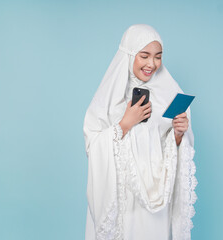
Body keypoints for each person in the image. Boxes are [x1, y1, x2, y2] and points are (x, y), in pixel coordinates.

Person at [83, 24, 197, 240]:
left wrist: (178, 135)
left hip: (155, 198)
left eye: (158, 57)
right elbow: (93, 145)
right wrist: (125, 123)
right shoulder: (107, 98)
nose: (151, 64)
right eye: (144, 56)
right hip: (122, 196)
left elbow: (172, 147)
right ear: (129, 55)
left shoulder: (169, 93)